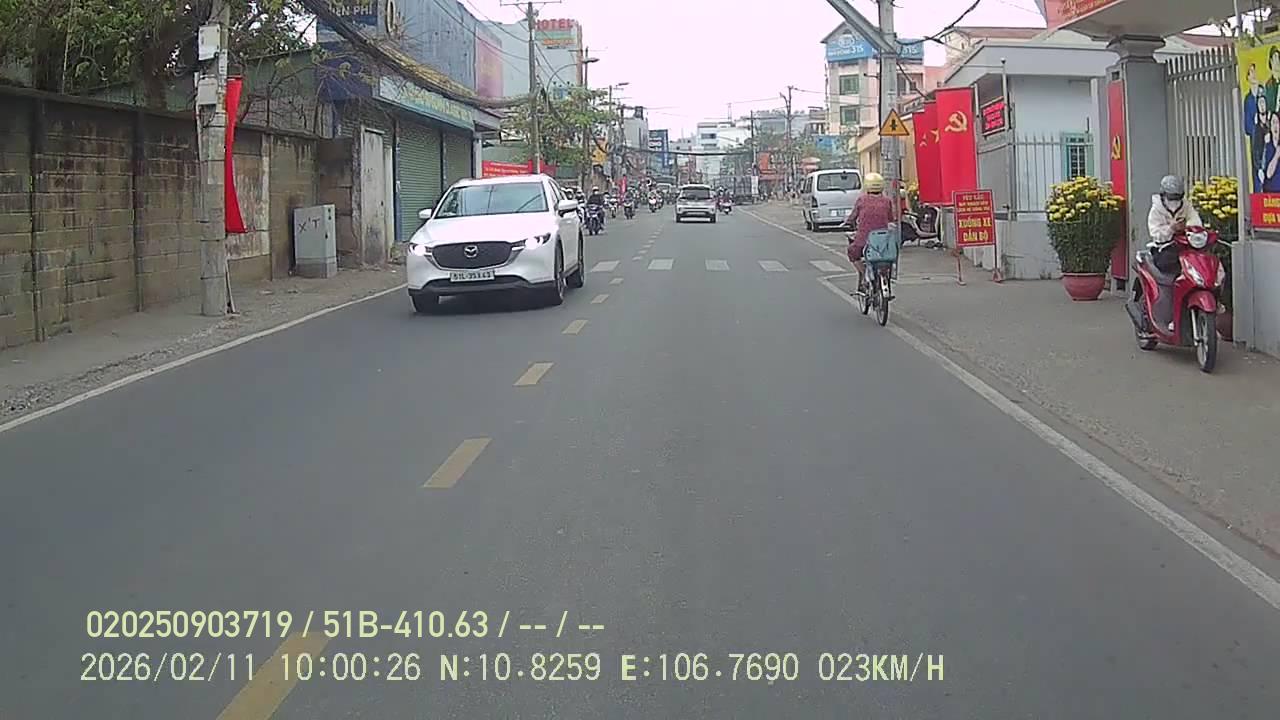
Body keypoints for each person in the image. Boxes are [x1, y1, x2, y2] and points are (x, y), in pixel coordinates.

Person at [1146, 174, 1203, 330]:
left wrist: (1187, 227)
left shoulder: (1186, 206)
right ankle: (1172, 314)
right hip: (1163, 249)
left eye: (1178, 197)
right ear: (1163, 195)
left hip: (1185, 248)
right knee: (1175, 269)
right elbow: (1156, 234)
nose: (1175, 201)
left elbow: (1196, 222)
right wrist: (1171, 228)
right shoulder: (1156, 210)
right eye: (1172, 197)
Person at [843, 172, 894, 292]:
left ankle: (864, 272)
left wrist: (847, 223)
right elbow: (891, 218)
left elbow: (852, 217)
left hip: (864, 240)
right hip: (882, 241)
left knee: (852, 252)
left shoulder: (862, 200)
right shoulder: (887, 201)